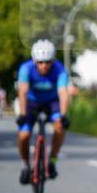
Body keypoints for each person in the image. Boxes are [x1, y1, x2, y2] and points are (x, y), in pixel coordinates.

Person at [15, 39, 70, 183]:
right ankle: (26, 165)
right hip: (31, 103)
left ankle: (52, 160)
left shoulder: (60, 69)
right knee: (24, 134)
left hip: (52, 102)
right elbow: (23, 91)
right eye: (40, 62)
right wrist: (22, 113)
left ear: (53, 60)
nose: (44, 65)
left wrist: (64, 115)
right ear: (34, 61)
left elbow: (63, 93)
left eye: (47, 62)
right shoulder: (26, 69)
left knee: (59, 127)